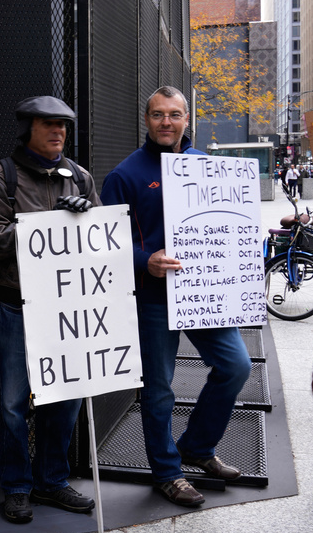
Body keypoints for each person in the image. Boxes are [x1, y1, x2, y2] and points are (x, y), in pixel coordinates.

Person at [100, 86, 250, 507]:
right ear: (146, 119)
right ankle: (168, 472)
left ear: (188, 119)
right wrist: (145, 261)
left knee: (236, 366)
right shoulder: (125, 175)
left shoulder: (207, 166)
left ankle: (198, 448)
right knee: (159, 389)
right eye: (158, 115)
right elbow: (106, 242)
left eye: (175, 114)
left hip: (206, 294)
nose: (167, 122)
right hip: (153, 297)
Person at [0, 96, 100, 524]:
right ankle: (16, 486)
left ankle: (52, 480)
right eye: (49, 125)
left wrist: (84, 219)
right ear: (28, 128)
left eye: (63, 127)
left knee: (64, 397)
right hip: (17, 306)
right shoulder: (2, 175)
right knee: (13, 403)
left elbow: (102, 238)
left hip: (67, 307)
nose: (58, 133)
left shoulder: (80, 178)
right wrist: (48, 224)